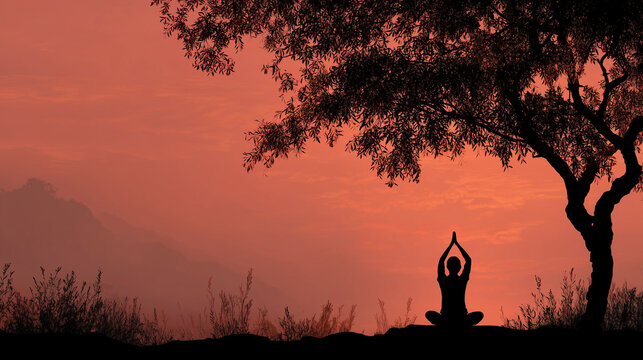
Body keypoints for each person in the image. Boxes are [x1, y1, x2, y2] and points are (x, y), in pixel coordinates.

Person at [425, 232, 484, 327]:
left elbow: (441, 260)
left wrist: (451, 244)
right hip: (458, 317)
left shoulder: (444, 280)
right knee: (479, 315)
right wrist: (456, 244)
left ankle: (444, 324)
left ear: (447, 267)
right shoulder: (461, 280)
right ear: (460, 267)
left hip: (448, 317)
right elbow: (468, 260)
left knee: (429, 314)